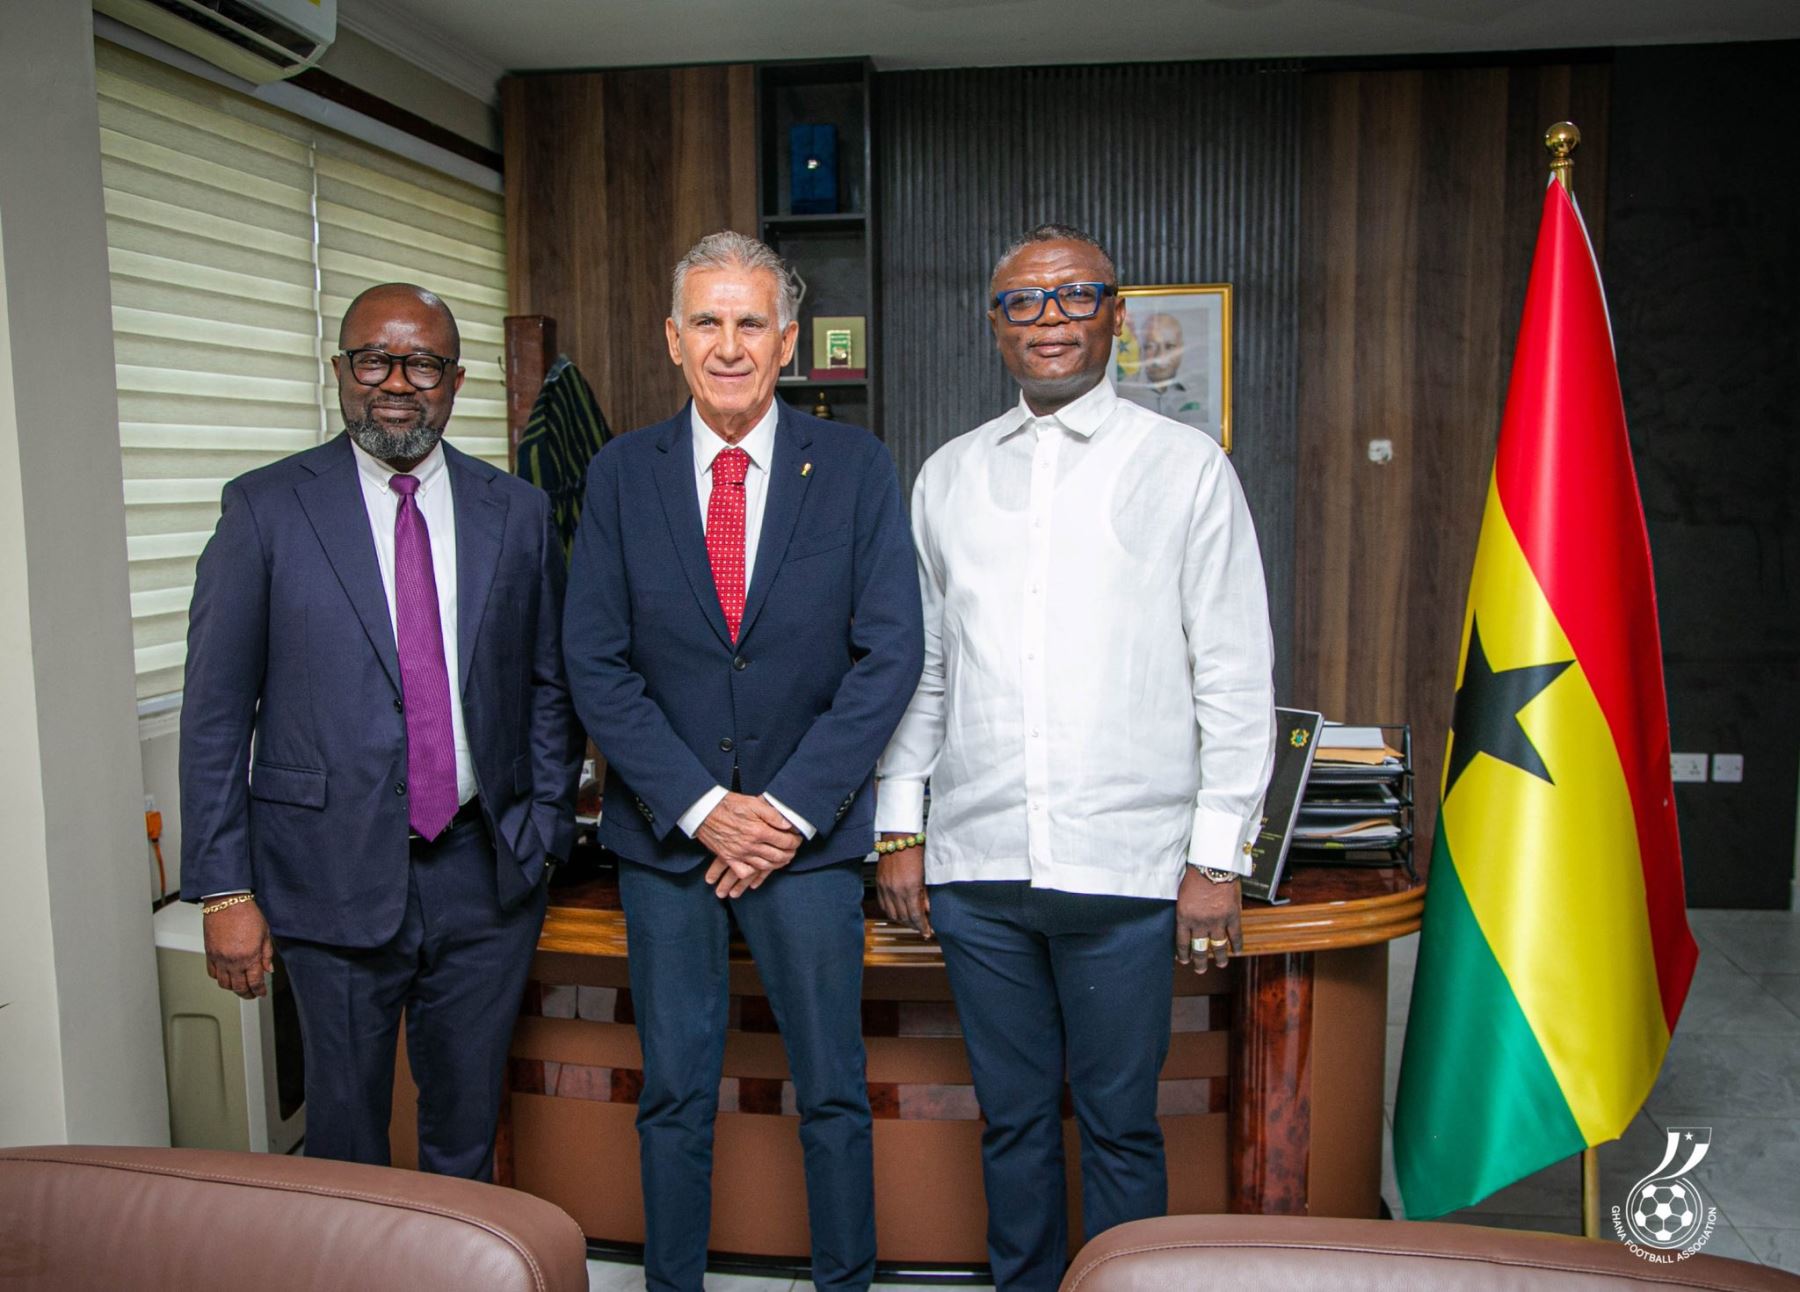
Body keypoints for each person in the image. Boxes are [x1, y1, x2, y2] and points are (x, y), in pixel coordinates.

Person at [875, 224, 1276, 1291]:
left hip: (1127, 871)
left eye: (1073, 296)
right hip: (980, 867)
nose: (1048, 317)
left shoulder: (1187, 468)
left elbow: (1233, 677)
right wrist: (901, 824)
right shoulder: (948, 477)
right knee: (1008, 1124)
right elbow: (926, 669)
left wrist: (1217, 857)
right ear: (994, 325)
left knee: (1119, 1127)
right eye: (1022, 301)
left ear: (1116, 314)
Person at [563, 231, 923, 1292]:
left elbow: (888, 650)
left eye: (751, 322)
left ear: (788, 341)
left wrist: (788, 811)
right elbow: (596, 660)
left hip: (805, 848)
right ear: (673, 340)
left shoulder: (855, 467)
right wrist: (704, 805)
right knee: (674, 1089)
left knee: (833, 1090)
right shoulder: (620, 474)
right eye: (708, 322)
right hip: (670, 843)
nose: (730, 344)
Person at [180, 283, 581, 1180]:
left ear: (456, 381)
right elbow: (213, 714)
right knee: (347, 1140)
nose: (397, 383)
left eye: (423, 364)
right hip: (327, 875)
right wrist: (222, 890)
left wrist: (544, 828)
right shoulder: (265, 511)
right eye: (374, 360)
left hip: (486, 875)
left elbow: (550, 683)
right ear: (340, 373)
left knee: (466, 1130)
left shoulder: (514, 512)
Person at [1117, 310, 1214, 439]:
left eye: (1169, 347)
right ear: (1141, 349)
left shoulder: (1202, 391)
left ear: (1181, 349)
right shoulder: (1122, 393)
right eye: (1151, 346)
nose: (1160, 357)